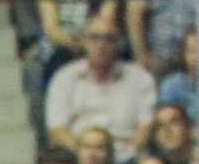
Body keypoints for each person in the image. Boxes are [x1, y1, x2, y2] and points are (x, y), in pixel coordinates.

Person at [45, 13, 155, 147]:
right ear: (83, 41)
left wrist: (128, 153)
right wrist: (84, 155)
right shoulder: (65, 78)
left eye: (109, 38)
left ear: (118, 43)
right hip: (80, 156)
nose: (102, 44)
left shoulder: (139, 78)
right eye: (94, 38)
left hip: (127, 155)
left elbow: (147, 126)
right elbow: (57, 129)